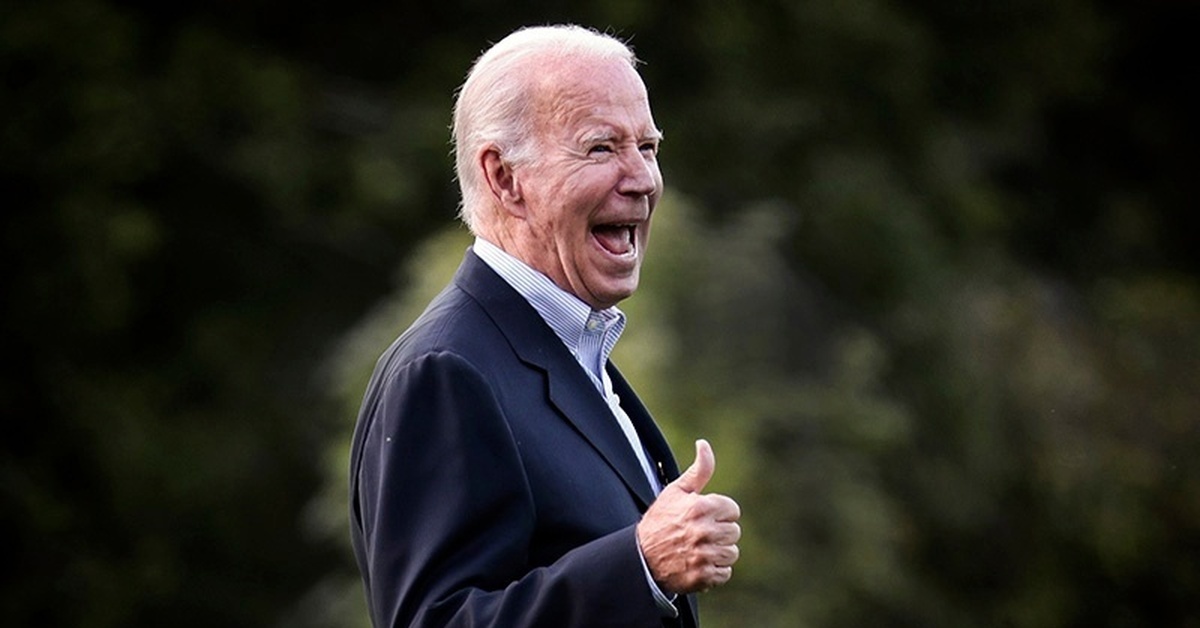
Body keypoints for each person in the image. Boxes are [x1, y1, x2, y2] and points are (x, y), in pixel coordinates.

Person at [348, 24, 741, 628]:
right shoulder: (446, 372)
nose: (642, 179)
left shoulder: (573, 354)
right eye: (601, 148)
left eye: (648, 147)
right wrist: (640, 564)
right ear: (505, 178)